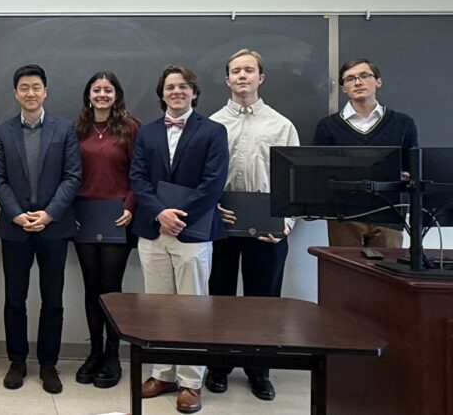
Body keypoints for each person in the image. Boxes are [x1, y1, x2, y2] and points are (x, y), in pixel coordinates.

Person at [129, 64, 229, 414]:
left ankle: (190, 382)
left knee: (193, 308)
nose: (176, 92)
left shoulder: (214, 131)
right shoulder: (148, 132)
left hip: (194, 231)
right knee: (158, 305)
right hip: (153, 231)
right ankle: (163, 374)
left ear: (194, 92)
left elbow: (213, 183)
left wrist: (178, 216)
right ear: (161, 94)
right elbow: (138, 177)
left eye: (183, 87)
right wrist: (160, 213)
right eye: (170, 87)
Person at [204, 49, 300, 401]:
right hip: (221, 225)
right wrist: (210, 210)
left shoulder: (281, 125)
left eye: (249, 70)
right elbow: (203, 177)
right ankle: (218, 367)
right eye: (235, 71)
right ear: (227, 79)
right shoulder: (212, 125)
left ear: (262, 77)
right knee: (220, 297)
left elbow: (294, 182)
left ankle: (259, 370)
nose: (242, 76)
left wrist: (287, 224)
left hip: (268, 228)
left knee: (264, 301)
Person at [0, 64, 81, 395]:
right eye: (24, 88)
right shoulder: (2, 132)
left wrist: (49, 214)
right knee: (15, 298)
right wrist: (16, 214)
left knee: (52, 299)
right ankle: (17, 361)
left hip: (53, 228)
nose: (30, 93)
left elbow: (72, 176)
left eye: (36, 87)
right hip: (15, 229)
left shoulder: (64, 129)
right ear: (16, 93)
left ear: (46, 91)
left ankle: (48, 363)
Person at [71, 71, 139, 389]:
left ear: (116, 94)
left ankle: (113, 355)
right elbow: (68, 173)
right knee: (91, 287)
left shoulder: (129, 127)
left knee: (111, 289)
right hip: (84, 216)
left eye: (107, 89)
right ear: (88, 95)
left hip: (117, 217)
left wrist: (130, 206)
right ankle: (94, 351)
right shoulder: (78, 128)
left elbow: (140, 172)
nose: (101, 94)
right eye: (96, 89)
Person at [312, 58, 418, 248]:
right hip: (344, 215)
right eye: (350, 79)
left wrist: (408, 177)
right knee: (346, 272)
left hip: (389, 212)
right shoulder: (327, 127)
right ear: (344, 88)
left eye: (364, 76)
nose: (358, 82)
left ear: (378, 81)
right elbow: (318, 173)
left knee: (386, 273)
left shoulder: (403, 124)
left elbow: (413, 169)